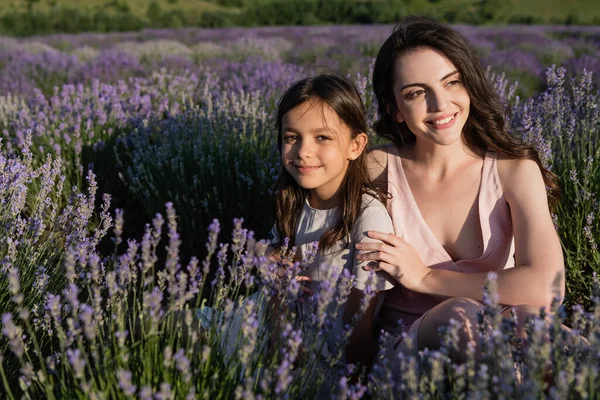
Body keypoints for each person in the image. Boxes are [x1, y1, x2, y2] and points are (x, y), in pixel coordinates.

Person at [357, 16, 565, 360]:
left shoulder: (513, 171)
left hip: (499, 340)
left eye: (451, 83)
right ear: (394, 108)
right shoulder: (376, 168)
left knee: (555, 337)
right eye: (417, 92)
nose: (440, 104)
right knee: (461, 317)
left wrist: (425, 278)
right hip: (405, 353)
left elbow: (548, 286)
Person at [267, 73, 396, 374]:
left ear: (356, 145)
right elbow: (273, 277)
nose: (303, 151)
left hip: (326, 362)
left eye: (322, 137)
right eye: (291, 137)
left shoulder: (367, 218)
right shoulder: (292, 201)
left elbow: (358, 326)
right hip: (276, 335)